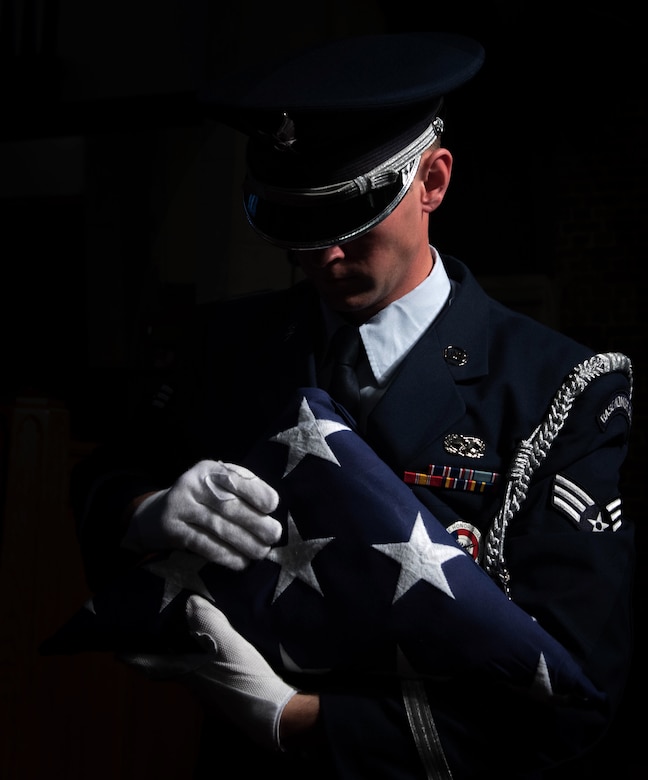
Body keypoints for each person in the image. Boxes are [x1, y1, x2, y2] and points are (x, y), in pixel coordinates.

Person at [70, 32, 635, 779]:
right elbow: (104, 475)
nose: (320, 256)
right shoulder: (229, 345)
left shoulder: (562, 391)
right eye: (293, 224)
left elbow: (568, 692)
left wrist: (299, 721)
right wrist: (147, 506)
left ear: (431, 181)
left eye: (346, 218)